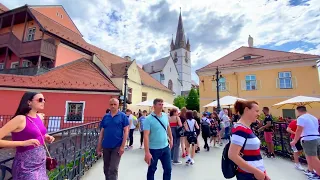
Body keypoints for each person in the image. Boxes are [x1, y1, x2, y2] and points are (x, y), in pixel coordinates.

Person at [0, 92, 55, 179]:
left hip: (40, 163)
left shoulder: (39, 117)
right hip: (25, 165)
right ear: (29, 102)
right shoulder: (20, 119)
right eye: (40, 100)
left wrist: (45, 136)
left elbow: (33, 132)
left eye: (44, 100)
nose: (43, 102)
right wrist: (23, 143)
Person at [228, 100, 269, 180]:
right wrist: (256, 172)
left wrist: (263, 173)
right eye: (256, 111)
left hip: (253, 174)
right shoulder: (240, 129)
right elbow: (232, 155)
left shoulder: (244, 128)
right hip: (249, 175)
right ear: (247, 110)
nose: (258, 114)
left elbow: (254, 154)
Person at [97, 98, 129, 180]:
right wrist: (99, 146)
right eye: (111, 104)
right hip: (106, 146)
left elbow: (126, 131)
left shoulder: (123, 116)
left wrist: (122, 146)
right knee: (106, 168)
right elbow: (102, 132)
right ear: (109, 105)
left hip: (117, 146)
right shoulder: (105, 117)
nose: (113, 106)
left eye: (115, 104)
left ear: (118, 105)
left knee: (113, 168)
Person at [143, 98, 173, 180]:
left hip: (165, 147)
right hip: (153, 149)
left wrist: (171, 138)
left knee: (168, 169)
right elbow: (145, 136)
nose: (161, 106)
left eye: (162, 104)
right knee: (152, 170)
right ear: (154, 106)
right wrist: (147, 152)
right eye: (159, 104)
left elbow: (168, 127)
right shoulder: (148, 119)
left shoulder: (165, 116)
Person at [290, 106, 320, 179]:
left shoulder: (301, 118)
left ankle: (318, 174)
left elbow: (299, 130)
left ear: (298, 111)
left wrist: (295, 140)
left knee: (313, 157)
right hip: (316, 137)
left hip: (308, 139)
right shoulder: (313, 117)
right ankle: (311, 171)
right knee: (310, 156)